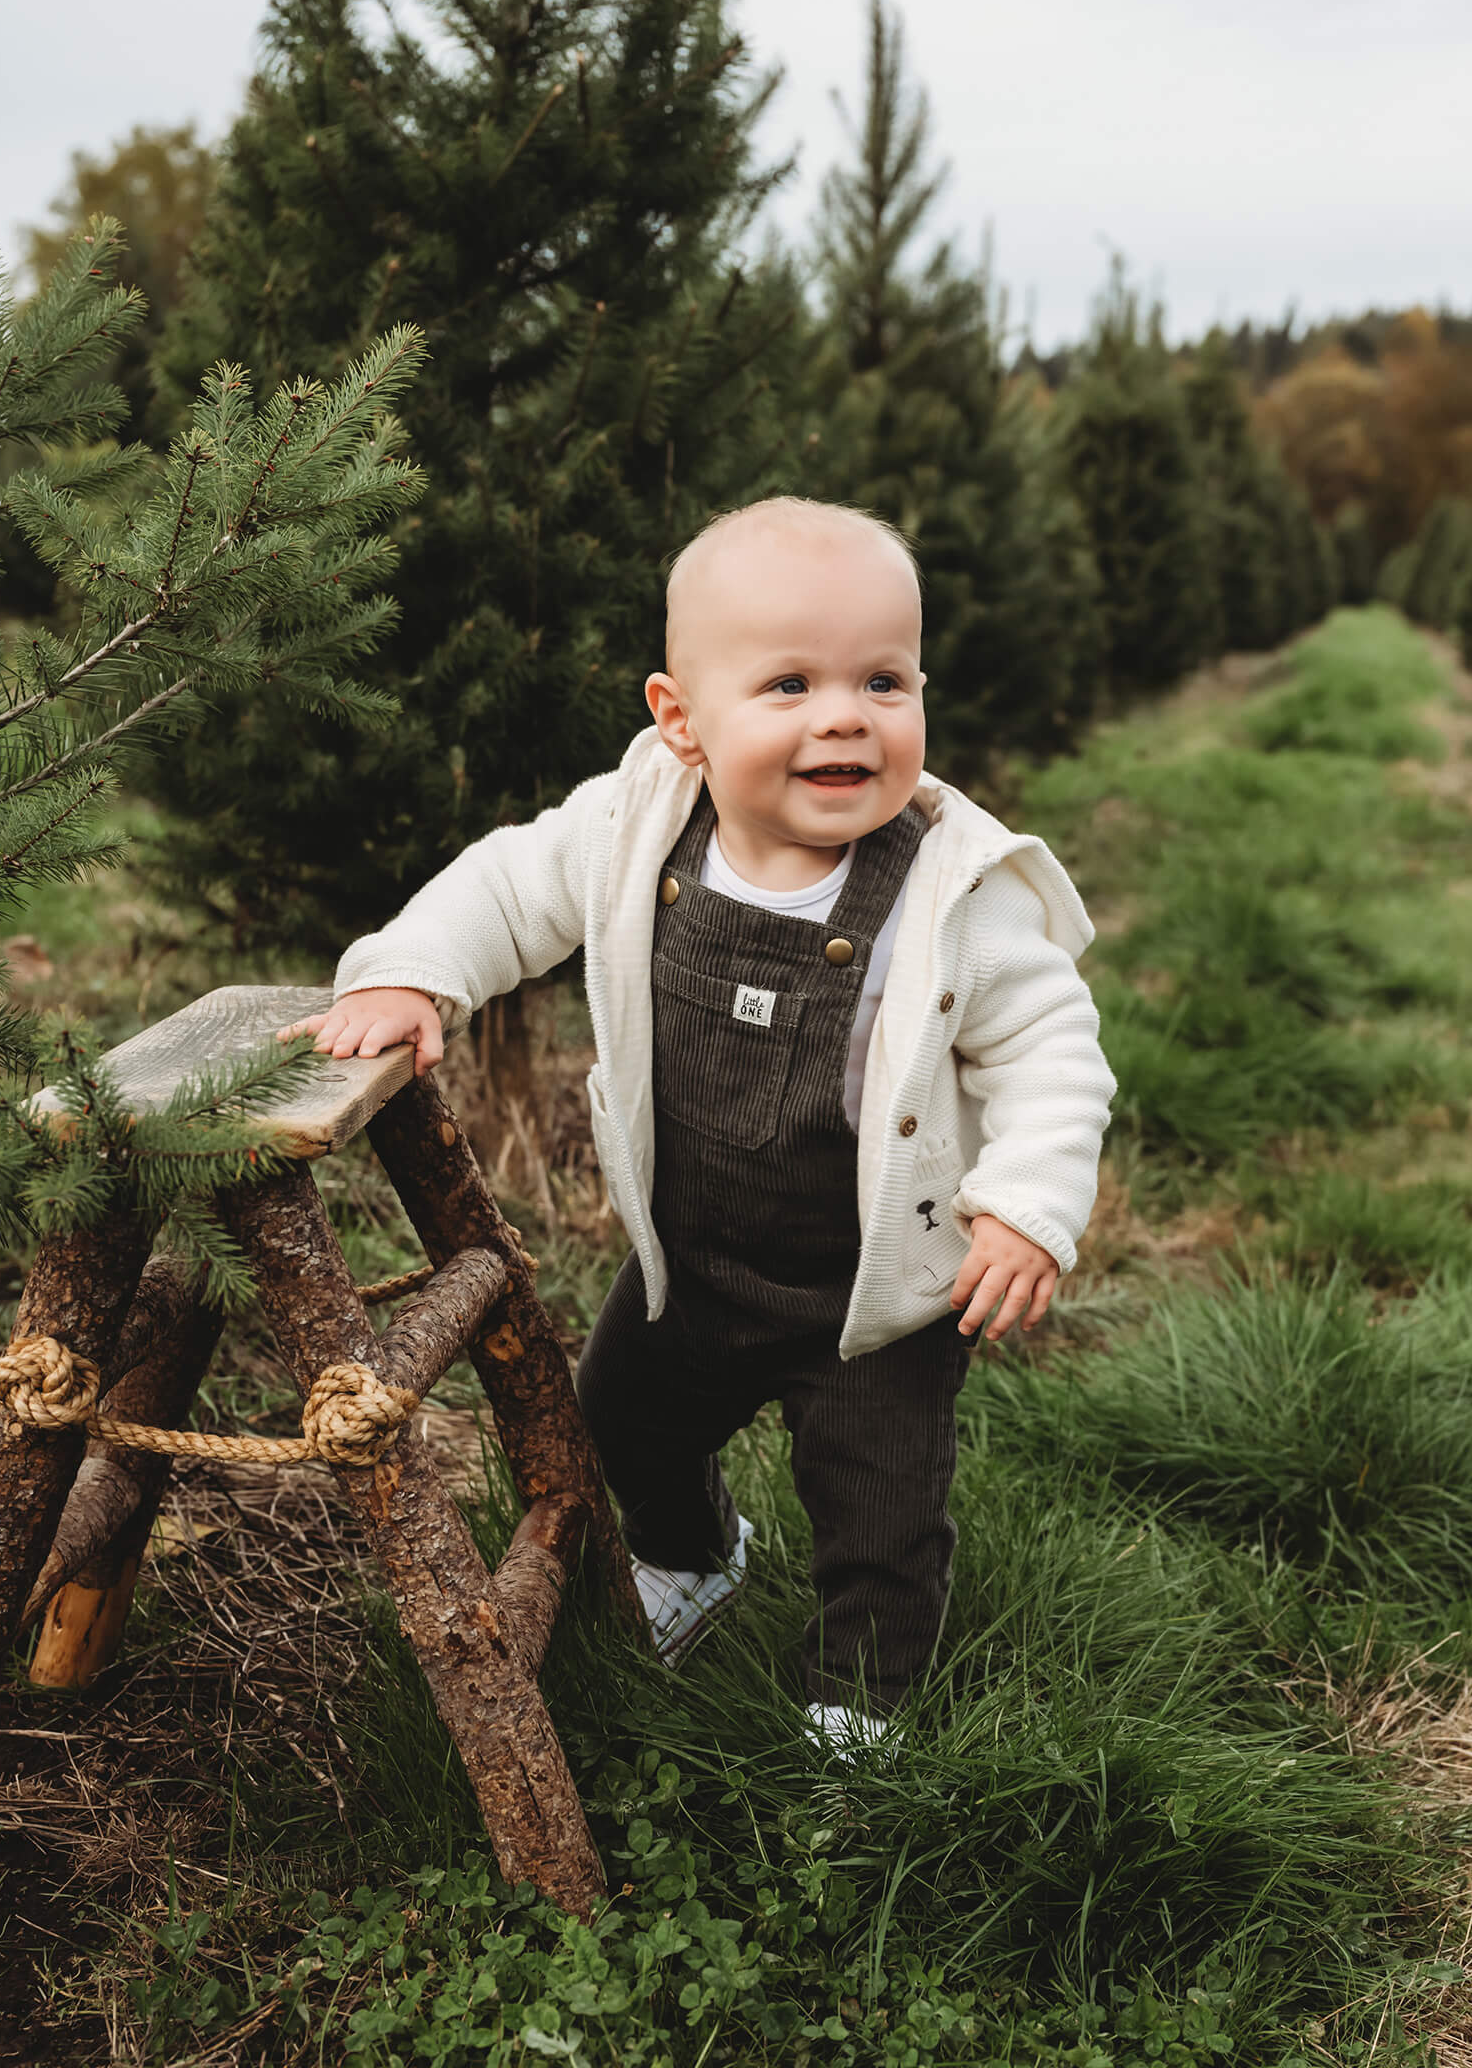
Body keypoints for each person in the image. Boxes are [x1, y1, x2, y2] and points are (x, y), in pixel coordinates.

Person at [284, 498, 1114, 1751]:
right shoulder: (636, 824)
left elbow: (1054, 1050)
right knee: (619, 1423)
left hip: (873, 1296)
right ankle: (695, 1553)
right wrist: (408, 973)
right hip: (697, 1263)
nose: (845, 715)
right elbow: (506, 886)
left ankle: (861, 1704)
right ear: (682, 719)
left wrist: (1028, 1204)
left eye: (883, 680)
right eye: (788, 683)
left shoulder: (951, 895)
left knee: (881, 1511)